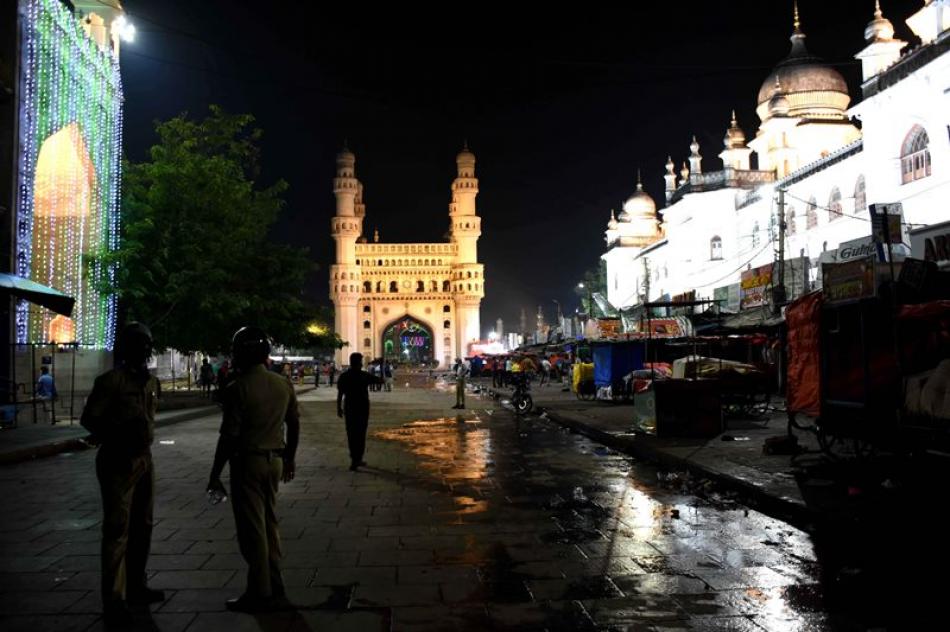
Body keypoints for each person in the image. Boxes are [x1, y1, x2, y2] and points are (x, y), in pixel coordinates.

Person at [207, 327, 300, 613]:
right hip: (275, 461)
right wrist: (290, 458)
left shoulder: (239, 387)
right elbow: (294, 423)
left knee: (252, 529)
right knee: (270, 523)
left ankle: (259, 591)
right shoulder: (282, 384)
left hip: (248, 461)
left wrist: (215, 473)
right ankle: (275, 580)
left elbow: (229, 436)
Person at [80, 322, 164, 626]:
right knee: (117, 528)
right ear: (126, 348)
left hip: (144, 458)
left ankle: (137, 585)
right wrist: (117, 433)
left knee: (144, 524)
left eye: (146, 345)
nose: (143, 350)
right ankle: (114, 597)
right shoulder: (111, 381)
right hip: (117, 460)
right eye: (137, 344)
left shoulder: (152, 383)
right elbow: (90, 419)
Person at [337, 353, 382, 471]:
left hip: (349, 407)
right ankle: (358, 458)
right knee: (360, 434)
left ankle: (354, 459)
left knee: (351, 434)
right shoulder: (364, 375)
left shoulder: (344, 376)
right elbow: (380, 381)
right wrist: (382, 366)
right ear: (358, 363)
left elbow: (340, 393)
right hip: (362, 408)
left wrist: (338, 408)